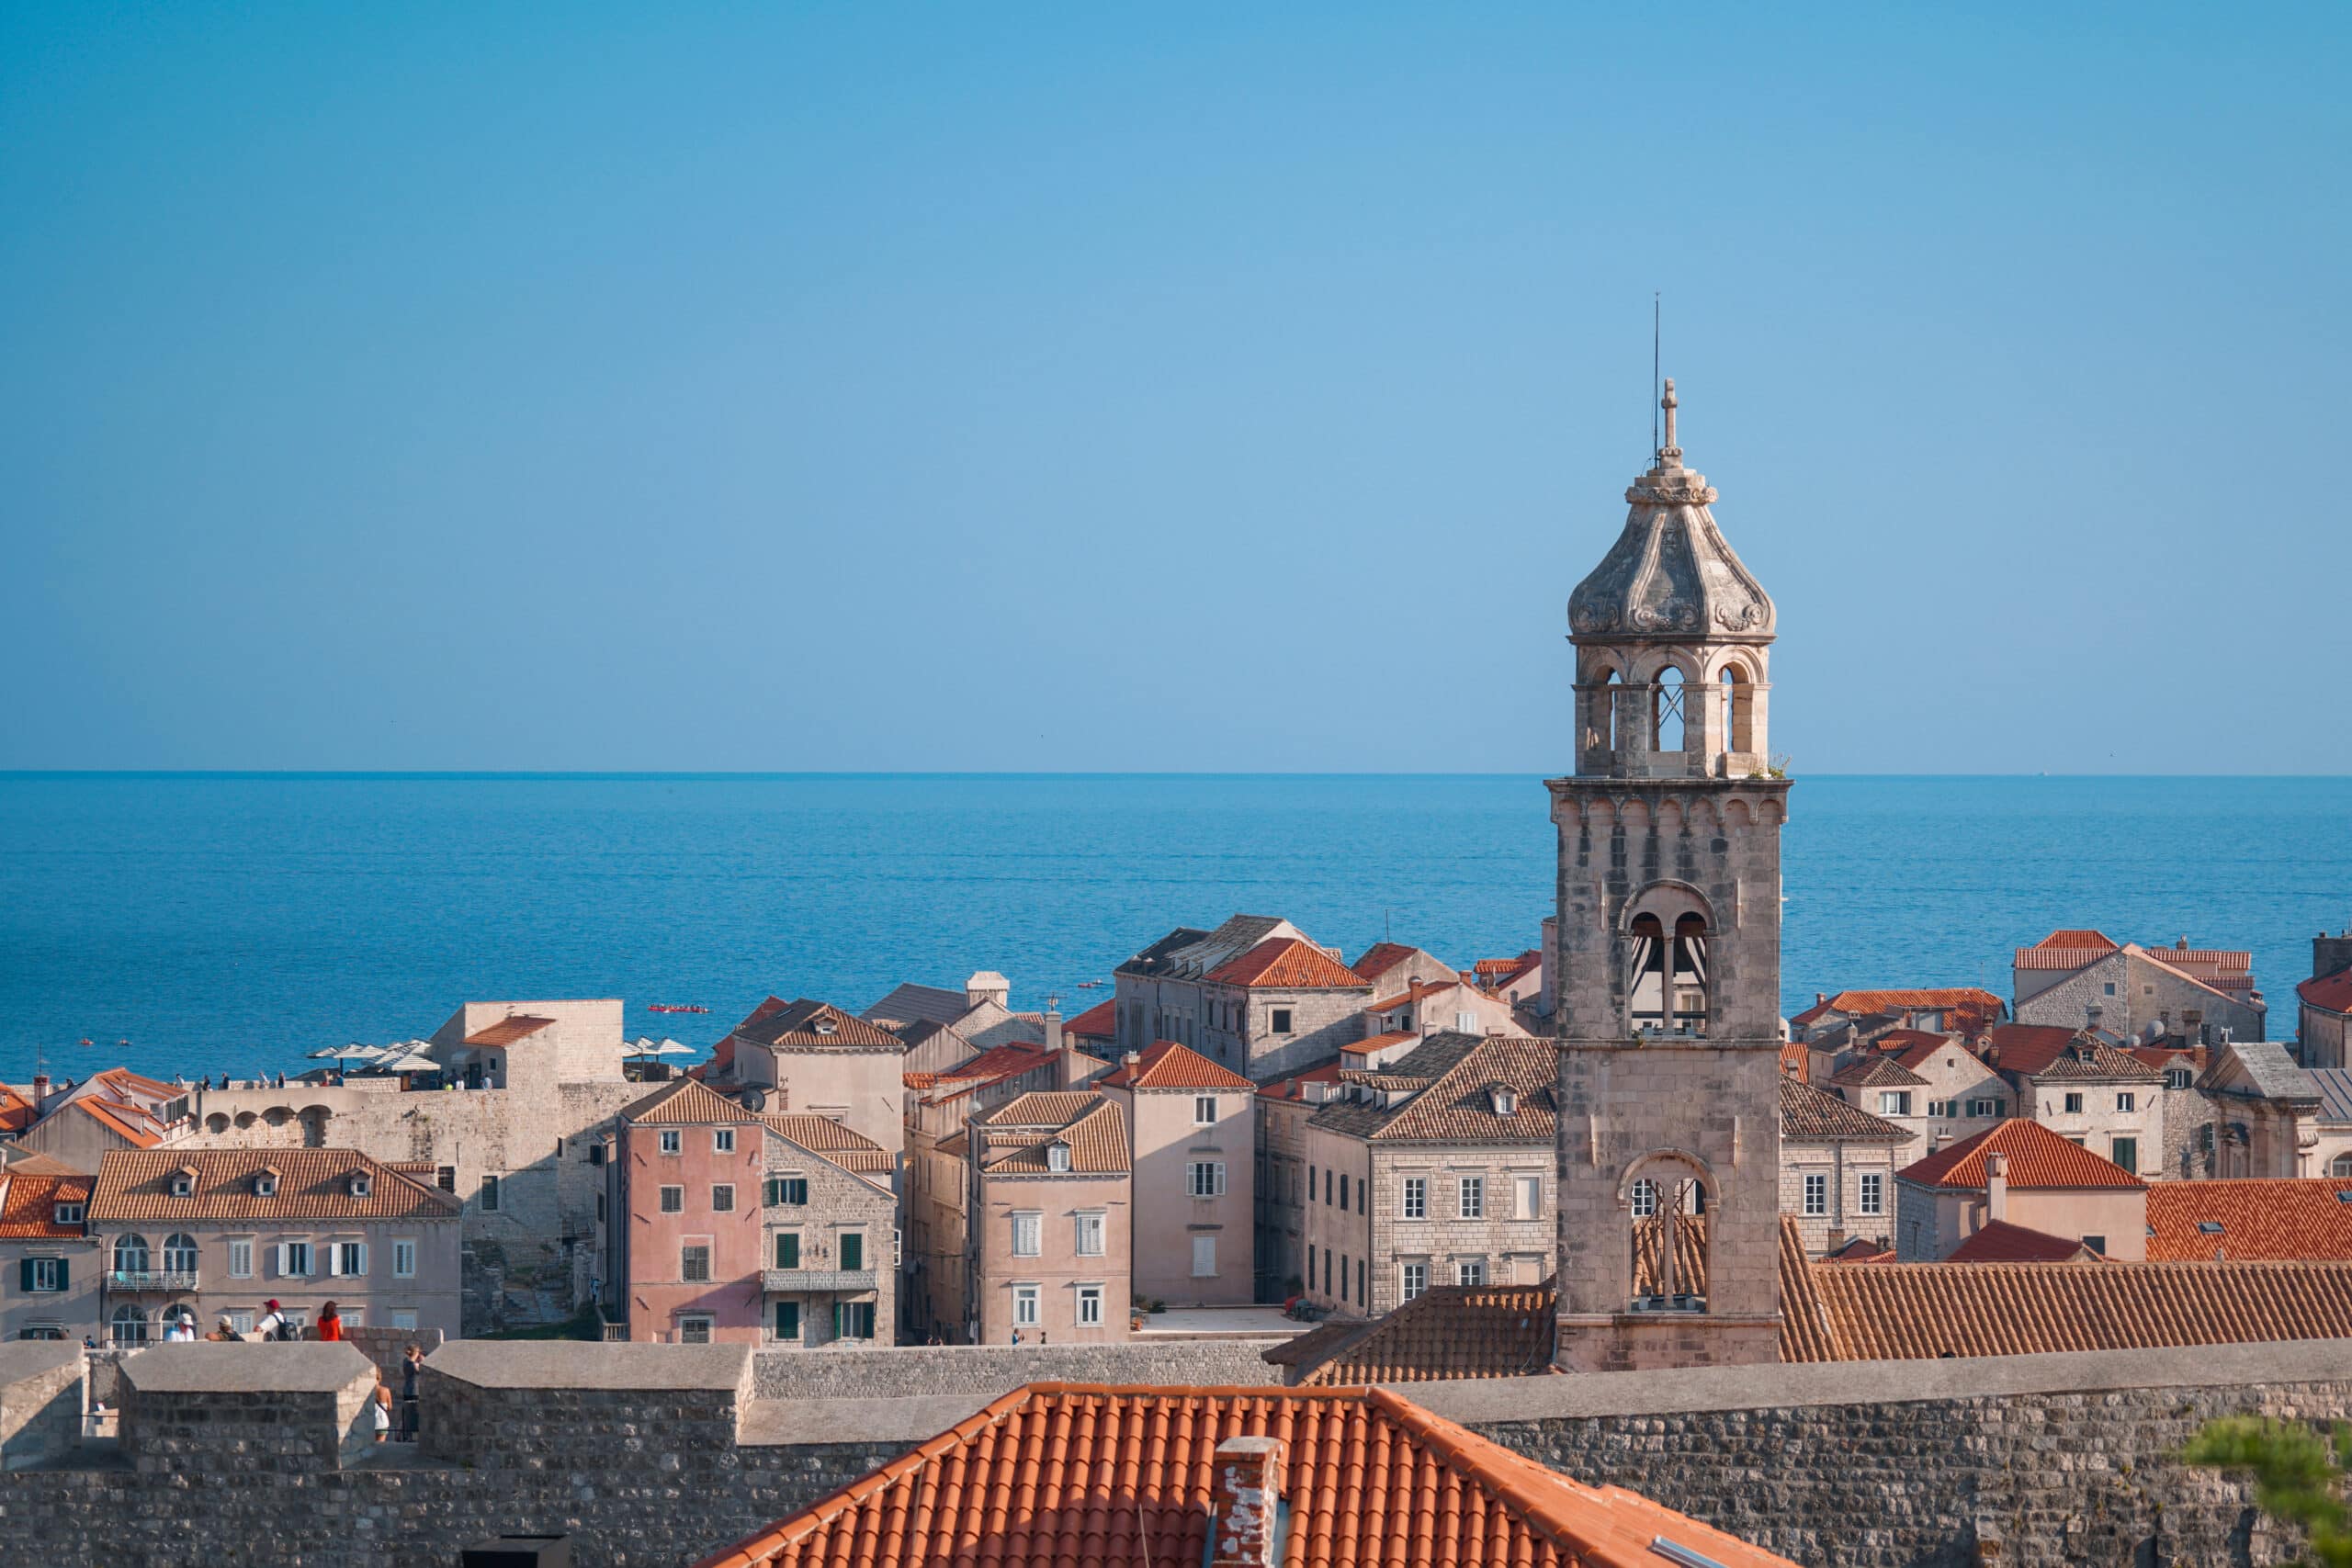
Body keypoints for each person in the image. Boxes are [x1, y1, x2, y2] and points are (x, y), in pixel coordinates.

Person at [400, 1342, 424, 1440]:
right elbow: (421, 1370)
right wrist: (422, 1361)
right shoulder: (414, 1365)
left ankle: (401, 1433)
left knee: (406, 1413)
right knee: (413, 1414)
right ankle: (411, 1436)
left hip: (407, 1390)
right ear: (416, 1353)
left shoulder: (405, 1362)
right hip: (414, 1391)